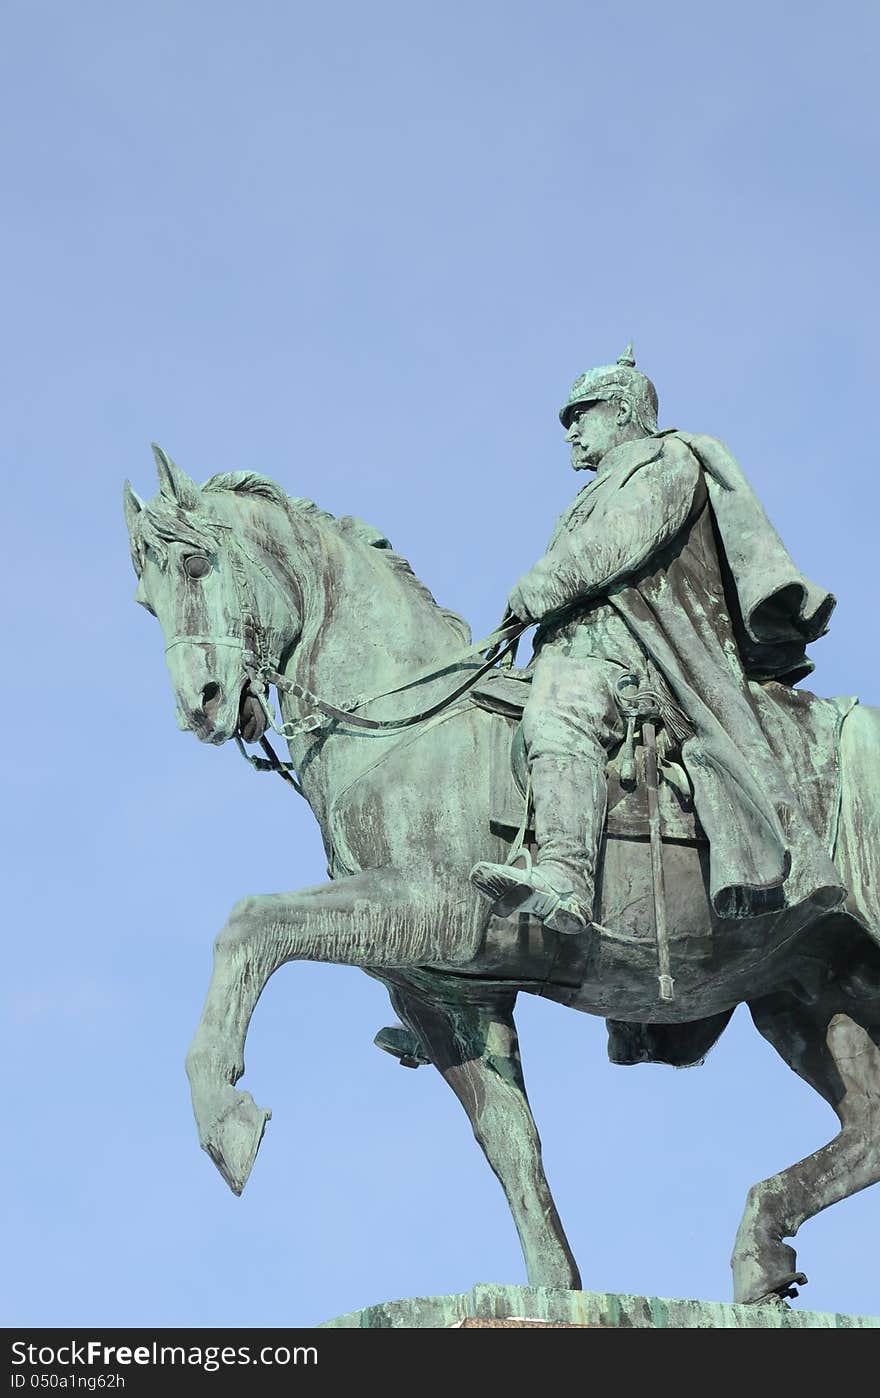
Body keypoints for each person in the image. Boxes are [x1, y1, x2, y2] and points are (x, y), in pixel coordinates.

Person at [470, 347, 846, 934]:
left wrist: (535, 588)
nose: (570, 428)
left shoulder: (667, 461)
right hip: (579, 645)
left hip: (639, 655)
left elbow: (617, 545)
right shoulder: (595, 490)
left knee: (560, 708)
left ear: (621, 412)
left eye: (581, 413)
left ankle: (565, 878)